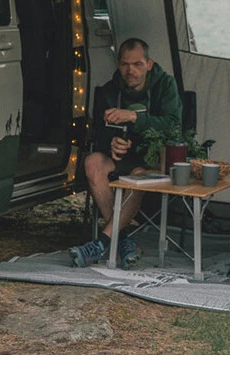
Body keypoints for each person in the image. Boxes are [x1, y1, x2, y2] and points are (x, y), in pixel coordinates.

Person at [69, 38, 182, 269]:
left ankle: (102, 242)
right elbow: (98, 132)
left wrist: (133, 117)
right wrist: (111, 143)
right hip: (120, 157)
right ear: (118, 64)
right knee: (92, 162)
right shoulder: (109, 91)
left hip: (150, 158)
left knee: (137, 177)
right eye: (125, 64)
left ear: (149, 64)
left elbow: (173, 126)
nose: (130, 71)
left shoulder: (165, 85)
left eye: (137, 64)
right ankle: (122, 240)